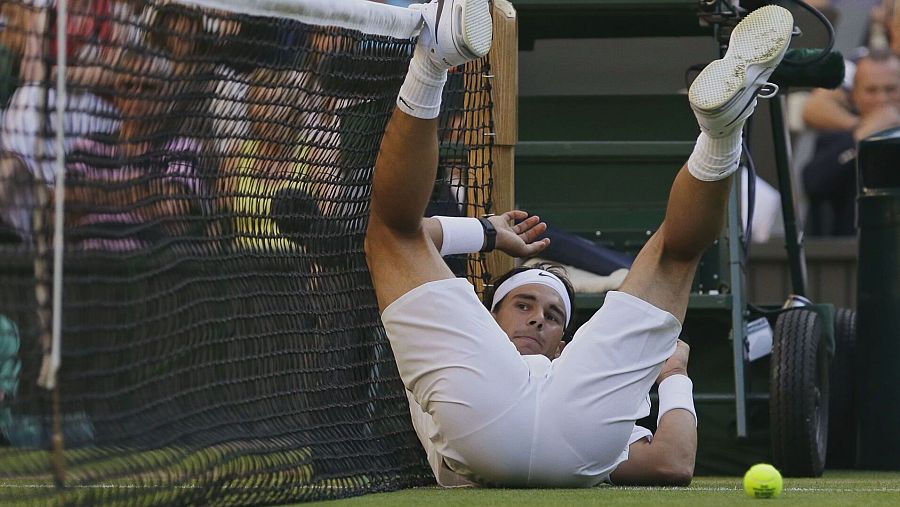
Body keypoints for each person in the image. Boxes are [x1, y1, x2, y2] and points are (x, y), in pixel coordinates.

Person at [365, 0, 794, 487]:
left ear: (565, 345)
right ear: (486, 320)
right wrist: (486, 231)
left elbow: (671, 464)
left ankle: (435, 57)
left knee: (390, 232)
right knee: (675, 257)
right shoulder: (504, 353)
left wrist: (674, 374)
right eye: (523, 304)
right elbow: (671, 465)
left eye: (552, 316)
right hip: (562, 442)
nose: (537, 319)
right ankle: (722, 135)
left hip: (499, 429)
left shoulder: (565, 371)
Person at [802, 49, 900, 236]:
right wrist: (862, 135)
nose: (882, 99)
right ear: (855, 95)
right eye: (871, 90)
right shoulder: (838, 139)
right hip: (852, 246)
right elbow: (814, 183)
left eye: (891, 89)